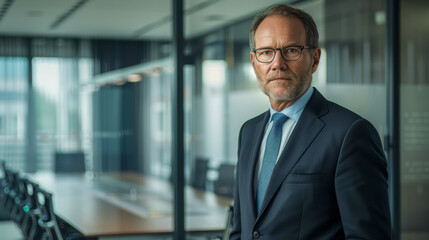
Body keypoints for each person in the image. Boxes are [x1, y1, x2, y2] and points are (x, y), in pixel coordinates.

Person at [230, 4, 391, 240]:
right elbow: (241, 229)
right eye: (266, 52)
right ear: (254, 63)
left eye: (292, 50)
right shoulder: (249, 131)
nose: (278, 63)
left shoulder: (350, 133)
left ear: (314, 59)